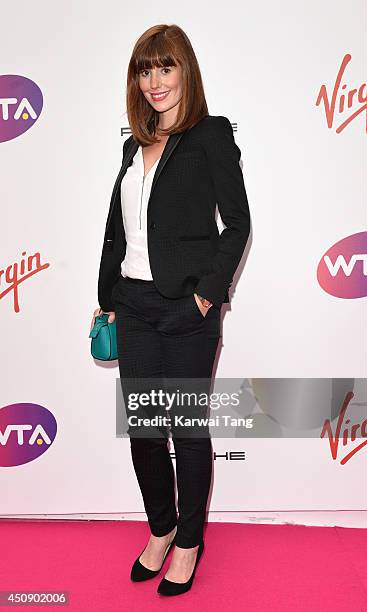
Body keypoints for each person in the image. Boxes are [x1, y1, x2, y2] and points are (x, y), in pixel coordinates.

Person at [91, 23, 251, 597]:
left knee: (185, 431)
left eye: (165, 66)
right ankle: (159, 529)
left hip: (186, 307)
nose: (155, 80)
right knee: (143, 431)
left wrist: (206, 296)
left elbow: (238, 225)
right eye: (145, 69)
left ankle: (189, 540)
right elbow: (119, 231)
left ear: (186, 71)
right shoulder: (132, 146)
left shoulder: (210, 135)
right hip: (132, 306)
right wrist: (107, 300)